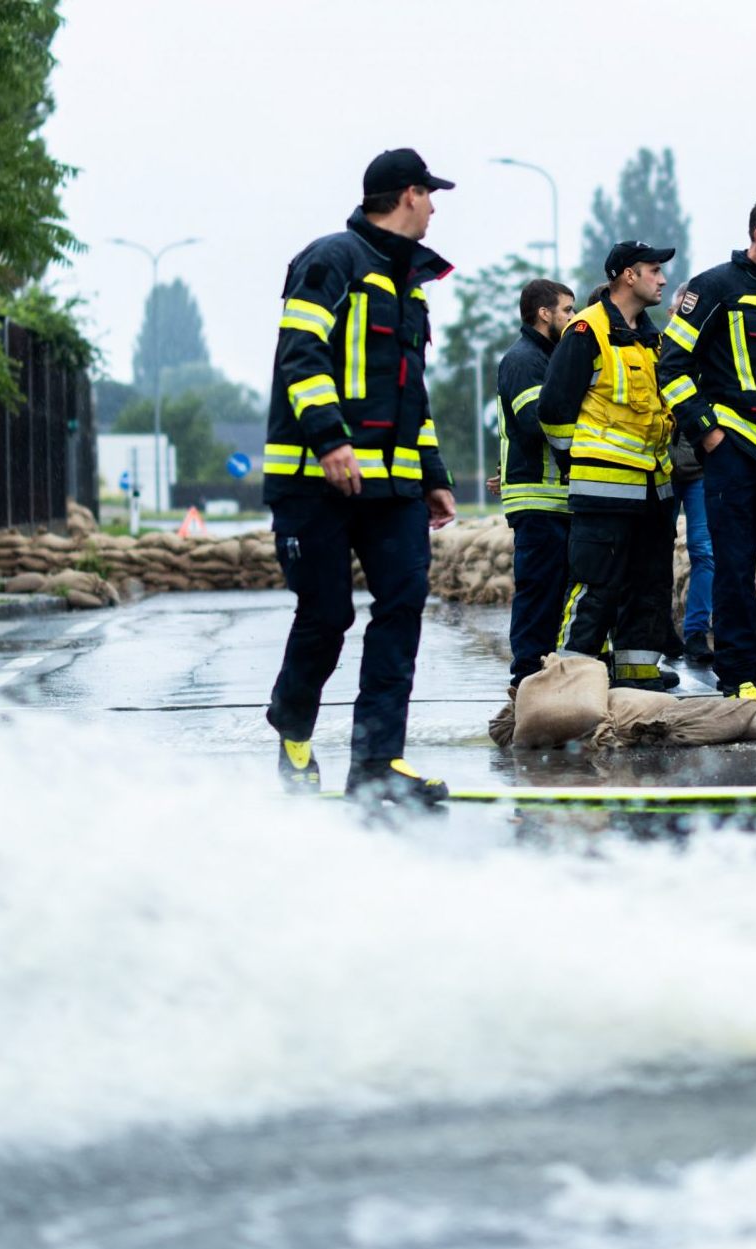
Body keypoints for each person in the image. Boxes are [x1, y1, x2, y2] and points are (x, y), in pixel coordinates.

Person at [263, 148, 458, 803]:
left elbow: (413, 393)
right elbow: (300, 354)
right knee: (326, 616)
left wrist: (431, 474)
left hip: (394, 491)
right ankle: (293, 729)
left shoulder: (407, 284)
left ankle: (378, 762)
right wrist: (328, 441)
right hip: (314, 482)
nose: (434, 207)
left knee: (401, 608)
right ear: (408, 195)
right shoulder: (330, 260)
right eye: (430, 195)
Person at [655, 195, 756, 706]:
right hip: (734, 450)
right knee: (735, 566)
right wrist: (706, 432)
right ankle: (738, 674)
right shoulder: (713, 287)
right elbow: (671, 366)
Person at [537, 241, 679, 690]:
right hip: (603, 491)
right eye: (654, 270)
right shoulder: (586, 331)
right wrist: (579, 461)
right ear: (628, 276)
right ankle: (569, 685)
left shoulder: (652, 337)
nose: (662, 279)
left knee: (649, 588)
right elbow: (554, 411)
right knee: (595, 588)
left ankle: (637, 681)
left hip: (654, 490)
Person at [497, 278, 577, 684]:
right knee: (539, 596)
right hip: (538, 500)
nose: (573, 317)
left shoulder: (546, 357)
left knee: (552, 596)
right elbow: (535, 424)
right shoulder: (525, 360)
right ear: (544, 313)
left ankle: (544, 674)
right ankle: (527, 679)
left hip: (554, 499)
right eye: (567, 310)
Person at [661, 285, 715, 671]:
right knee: (658, 552)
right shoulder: (655, 350)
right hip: (661, 467)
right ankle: (661, 626)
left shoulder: (711, 353)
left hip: (699, 467)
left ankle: (697, 630)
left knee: (704, 550)